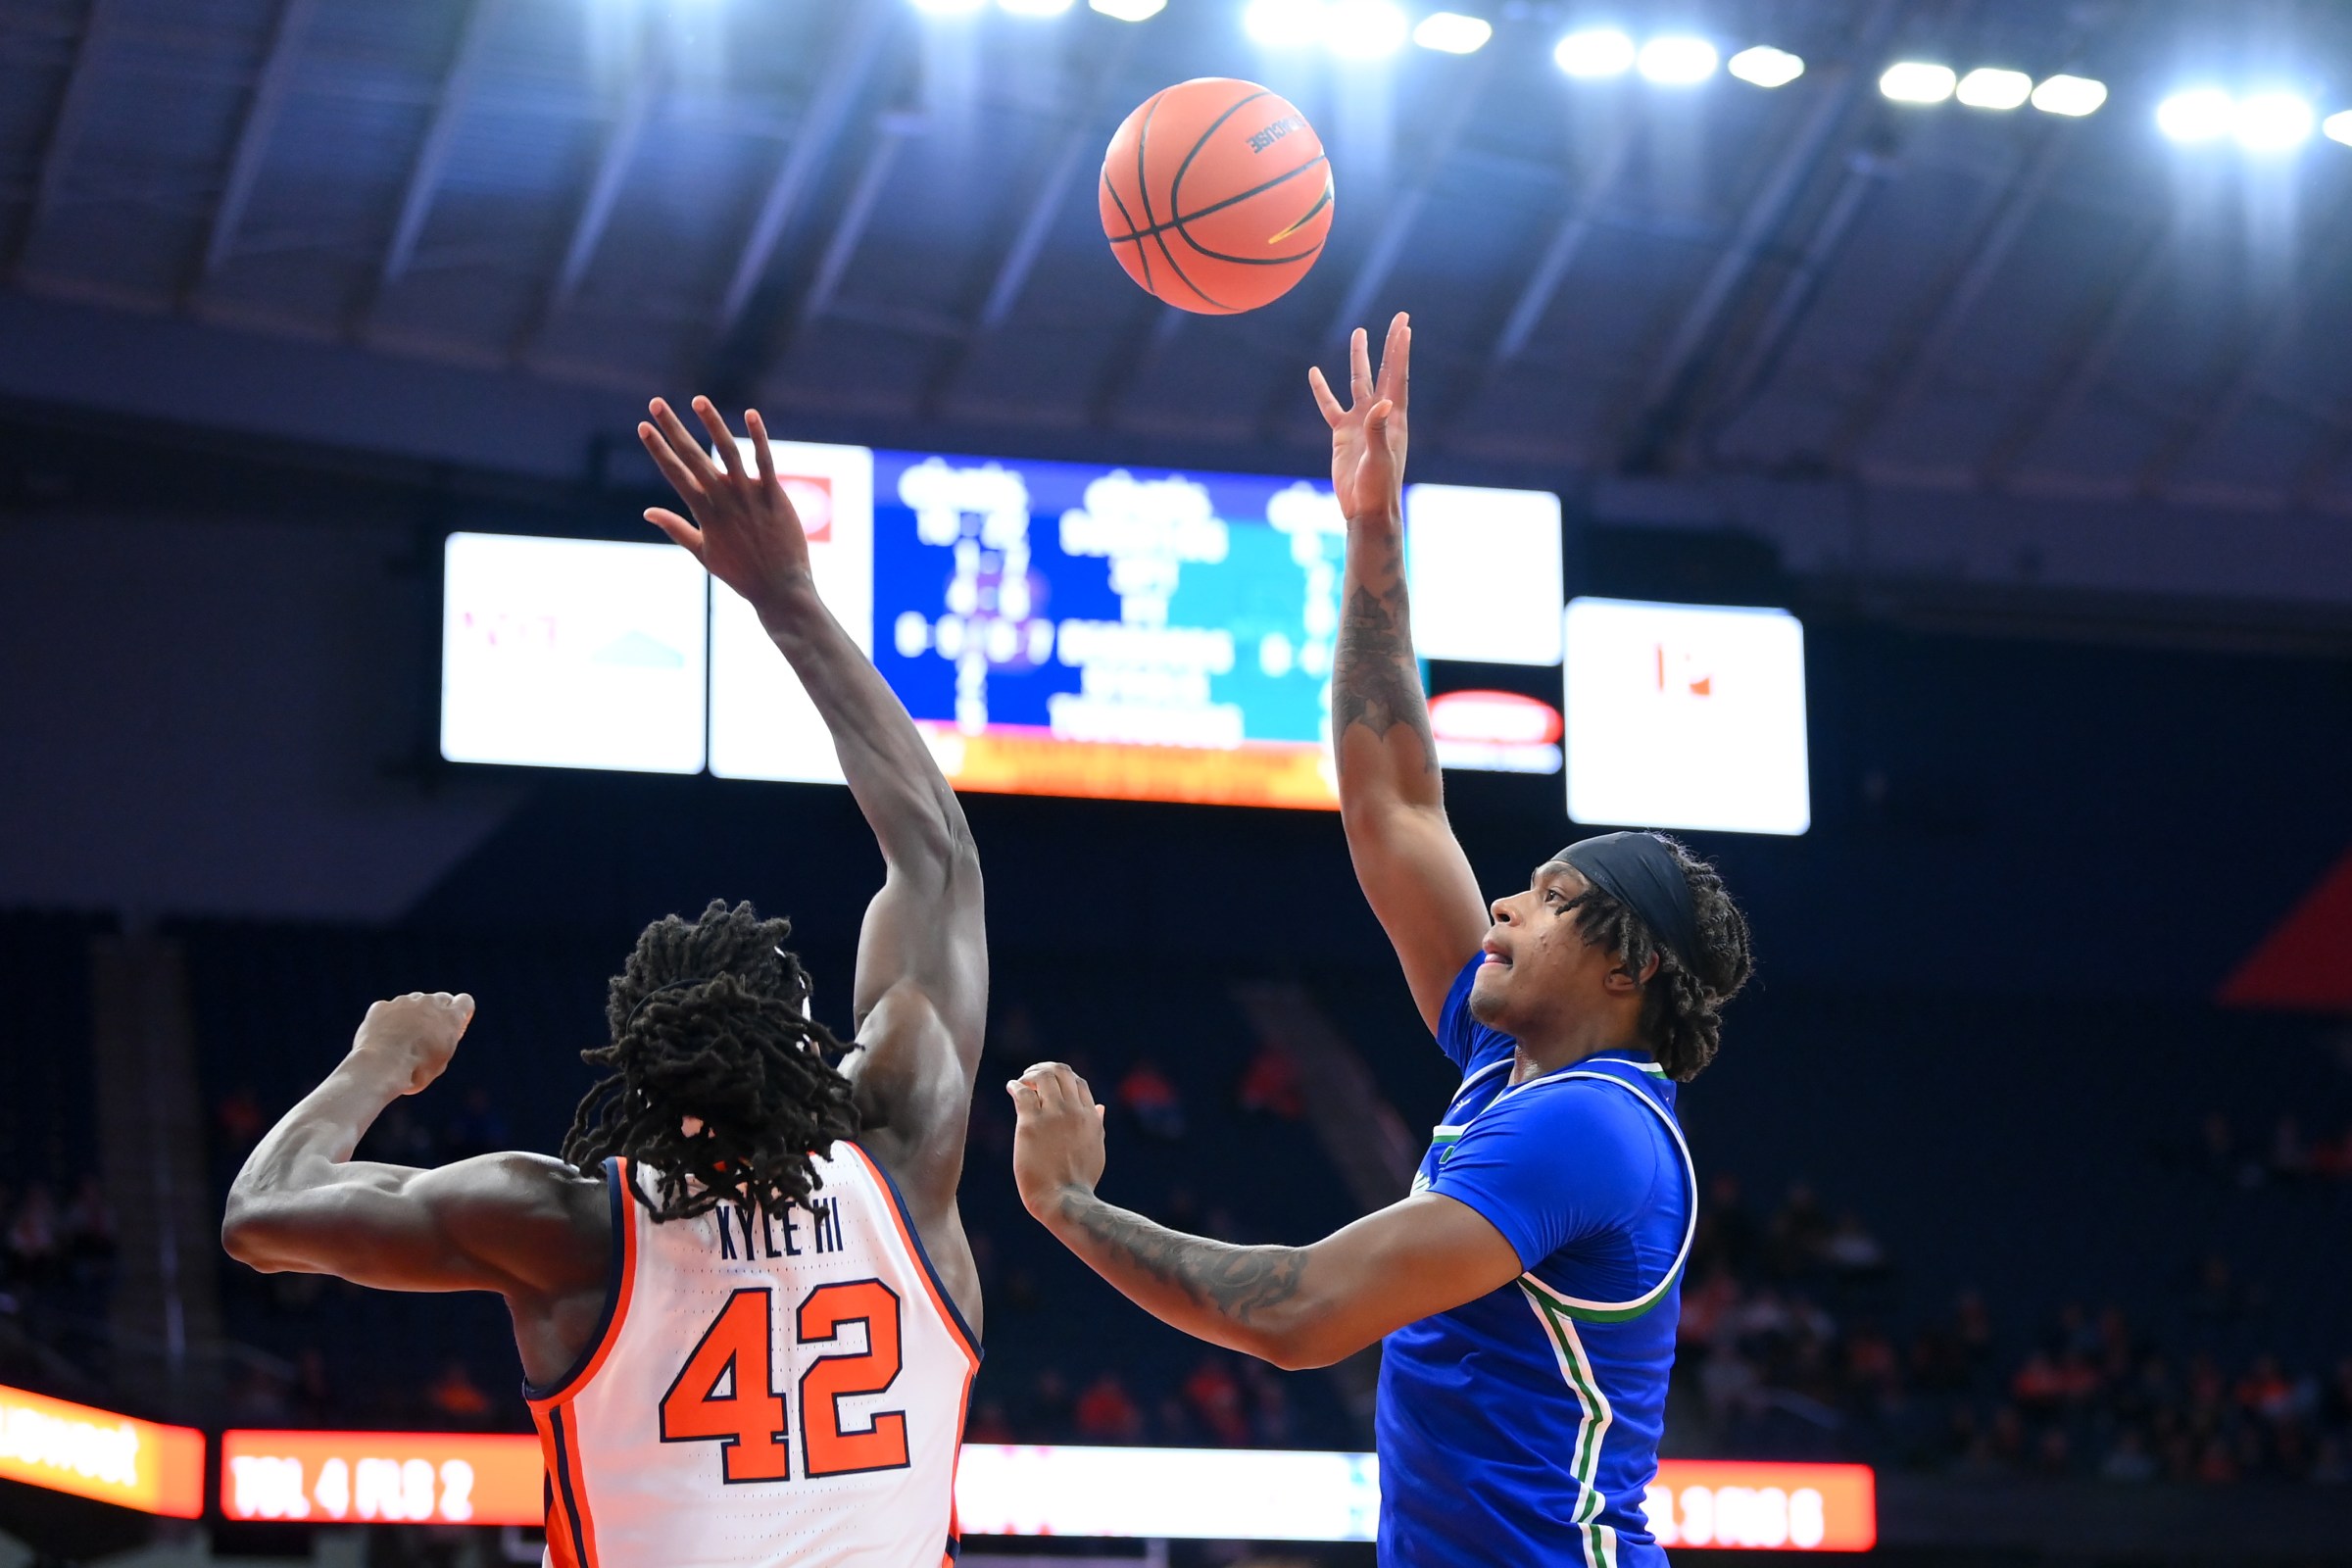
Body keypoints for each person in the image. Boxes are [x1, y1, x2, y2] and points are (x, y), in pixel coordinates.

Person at [1008, 315, 1752, 1568]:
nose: (1503, 908)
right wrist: (1370, 536)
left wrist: (1069, 1205)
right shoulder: (1513, 1064)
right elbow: (1396, 803)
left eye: (1549, 899)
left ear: (1630, 970)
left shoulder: (1590, 1126)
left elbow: (1301, 1312)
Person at [223, 397, 987, 1568]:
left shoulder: (565, 1226)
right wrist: (787, 596)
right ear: (804, 1044)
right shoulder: (906, 1146)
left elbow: (260, 1215)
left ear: (635, 1067)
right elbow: (933, 847)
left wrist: (376, 1065)